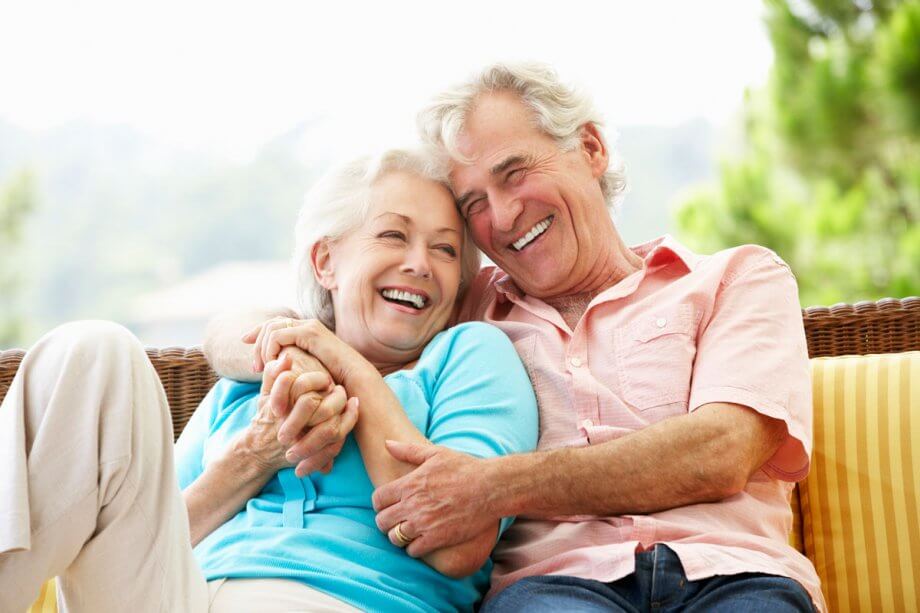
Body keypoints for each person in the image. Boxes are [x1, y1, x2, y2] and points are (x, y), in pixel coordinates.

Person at [209, 63, 825, 612]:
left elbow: (721, 451)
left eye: (515, 173)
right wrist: (289, 349)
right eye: (475, 201)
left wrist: (490, 486)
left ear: (589, 148)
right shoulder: (467, 305)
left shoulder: (736, 278)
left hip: (732, 576)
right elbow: (254, 326)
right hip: (557, 588)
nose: (502, 217)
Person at [0, 149, 538, 612]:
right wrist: (256, 455)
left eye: (445, 249)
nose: (420, 263)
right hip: (179, 595)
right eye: (394, 235)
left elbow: (456, 547)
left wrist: (345, 368)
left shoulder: (470, 356)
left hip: (344, 600)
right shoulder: (256, 376)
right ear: (326, 261)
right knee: (92, 350)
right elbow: (151, 537)